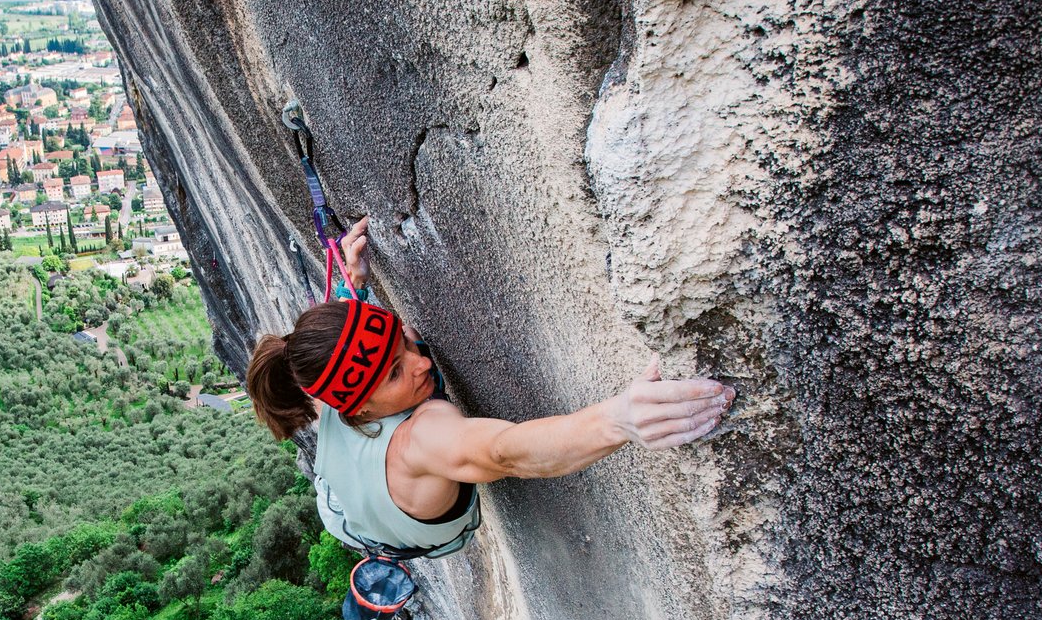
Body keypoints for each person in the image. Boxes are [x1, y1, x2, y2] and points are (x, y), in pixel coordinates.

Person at [245, 217, 735, 565]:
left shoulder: (331, 393)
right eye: (395, 373)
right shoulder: (424, 438)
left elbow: (349, 358)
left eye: (404, 343)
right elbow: (505, 451)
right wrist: (616, 420)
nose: (421, 362)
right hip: (359, 525)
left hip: (341, 492)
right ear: (360, 407)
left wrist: (354, 288)